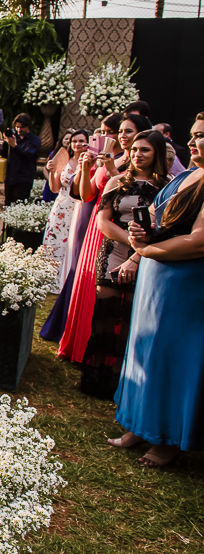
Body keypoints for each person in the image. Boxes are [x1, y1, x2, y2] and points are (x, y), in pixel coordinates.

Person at [110, 127, 204, 467]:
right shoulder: (189, 176)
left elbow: (198, 241)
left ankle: (167, 439)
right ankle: (140, 425)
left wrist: (148, 249)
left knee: (171, 357)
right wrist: (139, 238)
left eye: (201, 135)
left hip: (186, 284)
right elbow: (153, 217)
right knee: (144, 350)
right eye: (193, 135)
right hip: (154, 278)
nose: (191, 141)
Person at [78, 128, 168, 399]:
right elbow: (103, 221)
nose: (138, 154)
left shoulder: (167, 186)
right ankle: (94, 378)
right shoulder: (116, 181)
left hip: (147, 259)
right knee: (103, 316)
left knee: (130, 319)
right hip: (114, 252)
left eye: (145, 150)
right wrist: (134, 244)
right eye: (135, 149)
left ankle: (119, 381)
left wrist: (142, 252)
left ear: (157, 154)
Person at [59, 114, 142, 363]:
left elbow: (132, 195)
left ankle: (97, 352)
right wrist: (85, 167)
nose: (119, 136)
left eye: (127, 131)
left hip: (117, 229)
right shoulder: (113, 158)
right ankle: (78, 346)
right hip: (97, 224)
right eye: (119, 131)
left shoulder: (135, 162)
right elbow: (86, 195)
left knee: (104, 293)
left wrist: (113, 170)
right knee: (86, 284)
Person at [41, 114, 125, 342]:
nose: (106, 135)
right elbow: (67, 188)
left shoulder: (116, 161)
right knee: (60, 249)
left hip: (89, 212)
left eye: (110, 131)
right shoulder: (72, 158)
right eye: (103, 130)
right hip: (73, 206)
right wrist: (57, 171)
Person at [42, 130, 90, 287]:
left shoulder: (91, 163)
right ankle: (51, 279)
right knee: (56, 242)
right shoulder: (65, 160)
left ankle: (69, 279)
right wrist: (52, 171)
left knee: (72, 242)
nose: (77, 144)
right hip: (62, 206)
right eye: (74, 141)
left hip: (79, 206)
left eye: (81, 141)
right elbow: (55, 188)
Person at [3, 113, 41, 205]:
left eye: (22, 127)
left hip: (24, 178)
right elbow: (3, 153)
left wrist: (15, 146)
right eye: (17, 127)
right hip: (10, 176)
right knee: (8, 205)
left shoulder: (34, 140)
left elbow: (27, 156)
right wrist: (6, 141)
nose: (19, 130)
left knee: (19, 204)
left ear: (28, 126)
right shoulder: (15, 138)